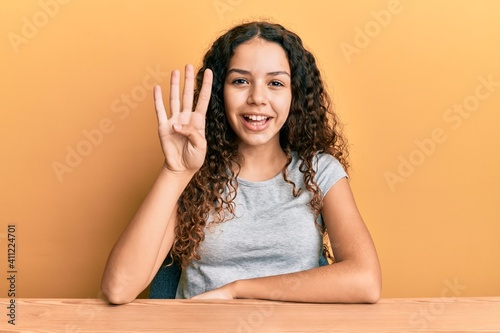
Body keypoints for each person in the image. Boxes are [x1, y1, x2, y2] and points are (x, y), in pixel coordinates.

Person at [101, 21, 381, 304]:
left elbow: (365, 280)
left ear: (294, 94)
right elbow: (118, 288)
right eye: (240, 81)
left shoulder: (319, 171)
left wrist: (238, 289)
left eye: (275, 83)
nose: (257, 98)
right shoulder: (193, 173)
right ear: (219, 93)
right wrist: (176, 172)